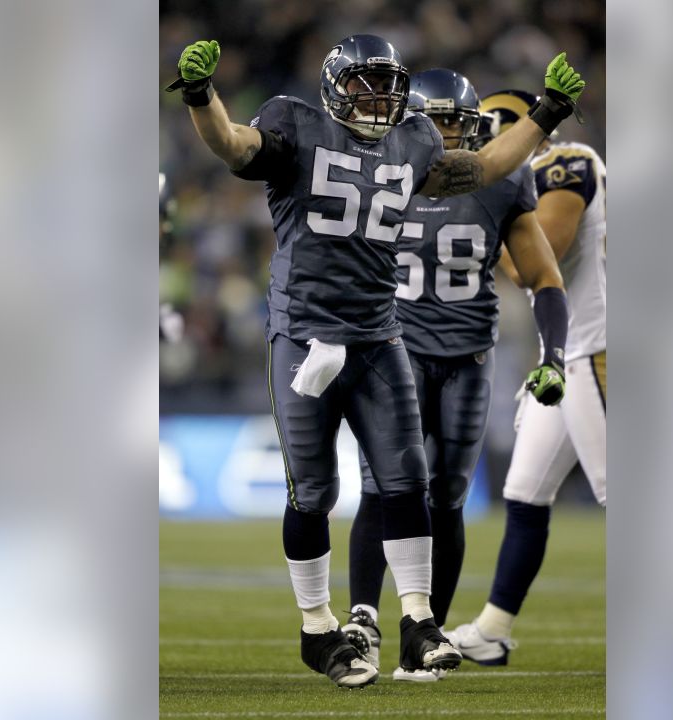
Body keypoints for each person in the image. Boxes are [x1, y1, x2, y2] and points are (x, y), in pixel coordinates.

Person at [169, 37, 586, 687]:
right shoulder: (294, 123)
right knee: (313, 492)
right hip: (306, 336)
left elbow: (484, 167)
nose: (378, 96)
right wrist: (202, 98)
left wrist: (548, 112)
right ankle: (317, 627)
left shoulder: (413, 140)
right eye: (364, 83)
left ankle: (418, 620)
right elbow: (232, 146)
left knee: (405, 482)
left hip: (379, 334)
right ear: (336, 85)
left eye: (387, 83)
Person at [340, 69, 570, 682]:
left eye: (456, 121)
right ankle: (362, 620)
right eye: (434, 120)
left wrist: (554, 353)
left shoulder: (501, 182)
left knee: (447, 498)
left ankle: (427, 636)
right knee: (385, 488)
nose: (446, 133)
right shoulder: (383, 174)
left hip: (469, 357)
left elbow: (543, 275)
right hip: (394, 352)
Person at [445, 89, 607, 666]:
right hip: (563, 358)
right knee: (524, 492)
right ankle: (492, 628)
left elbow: (546, 258)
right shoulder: (518, 179)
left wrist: (486, 228)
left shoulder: (566, 162)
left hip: (600, 350)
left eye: (479, 129)